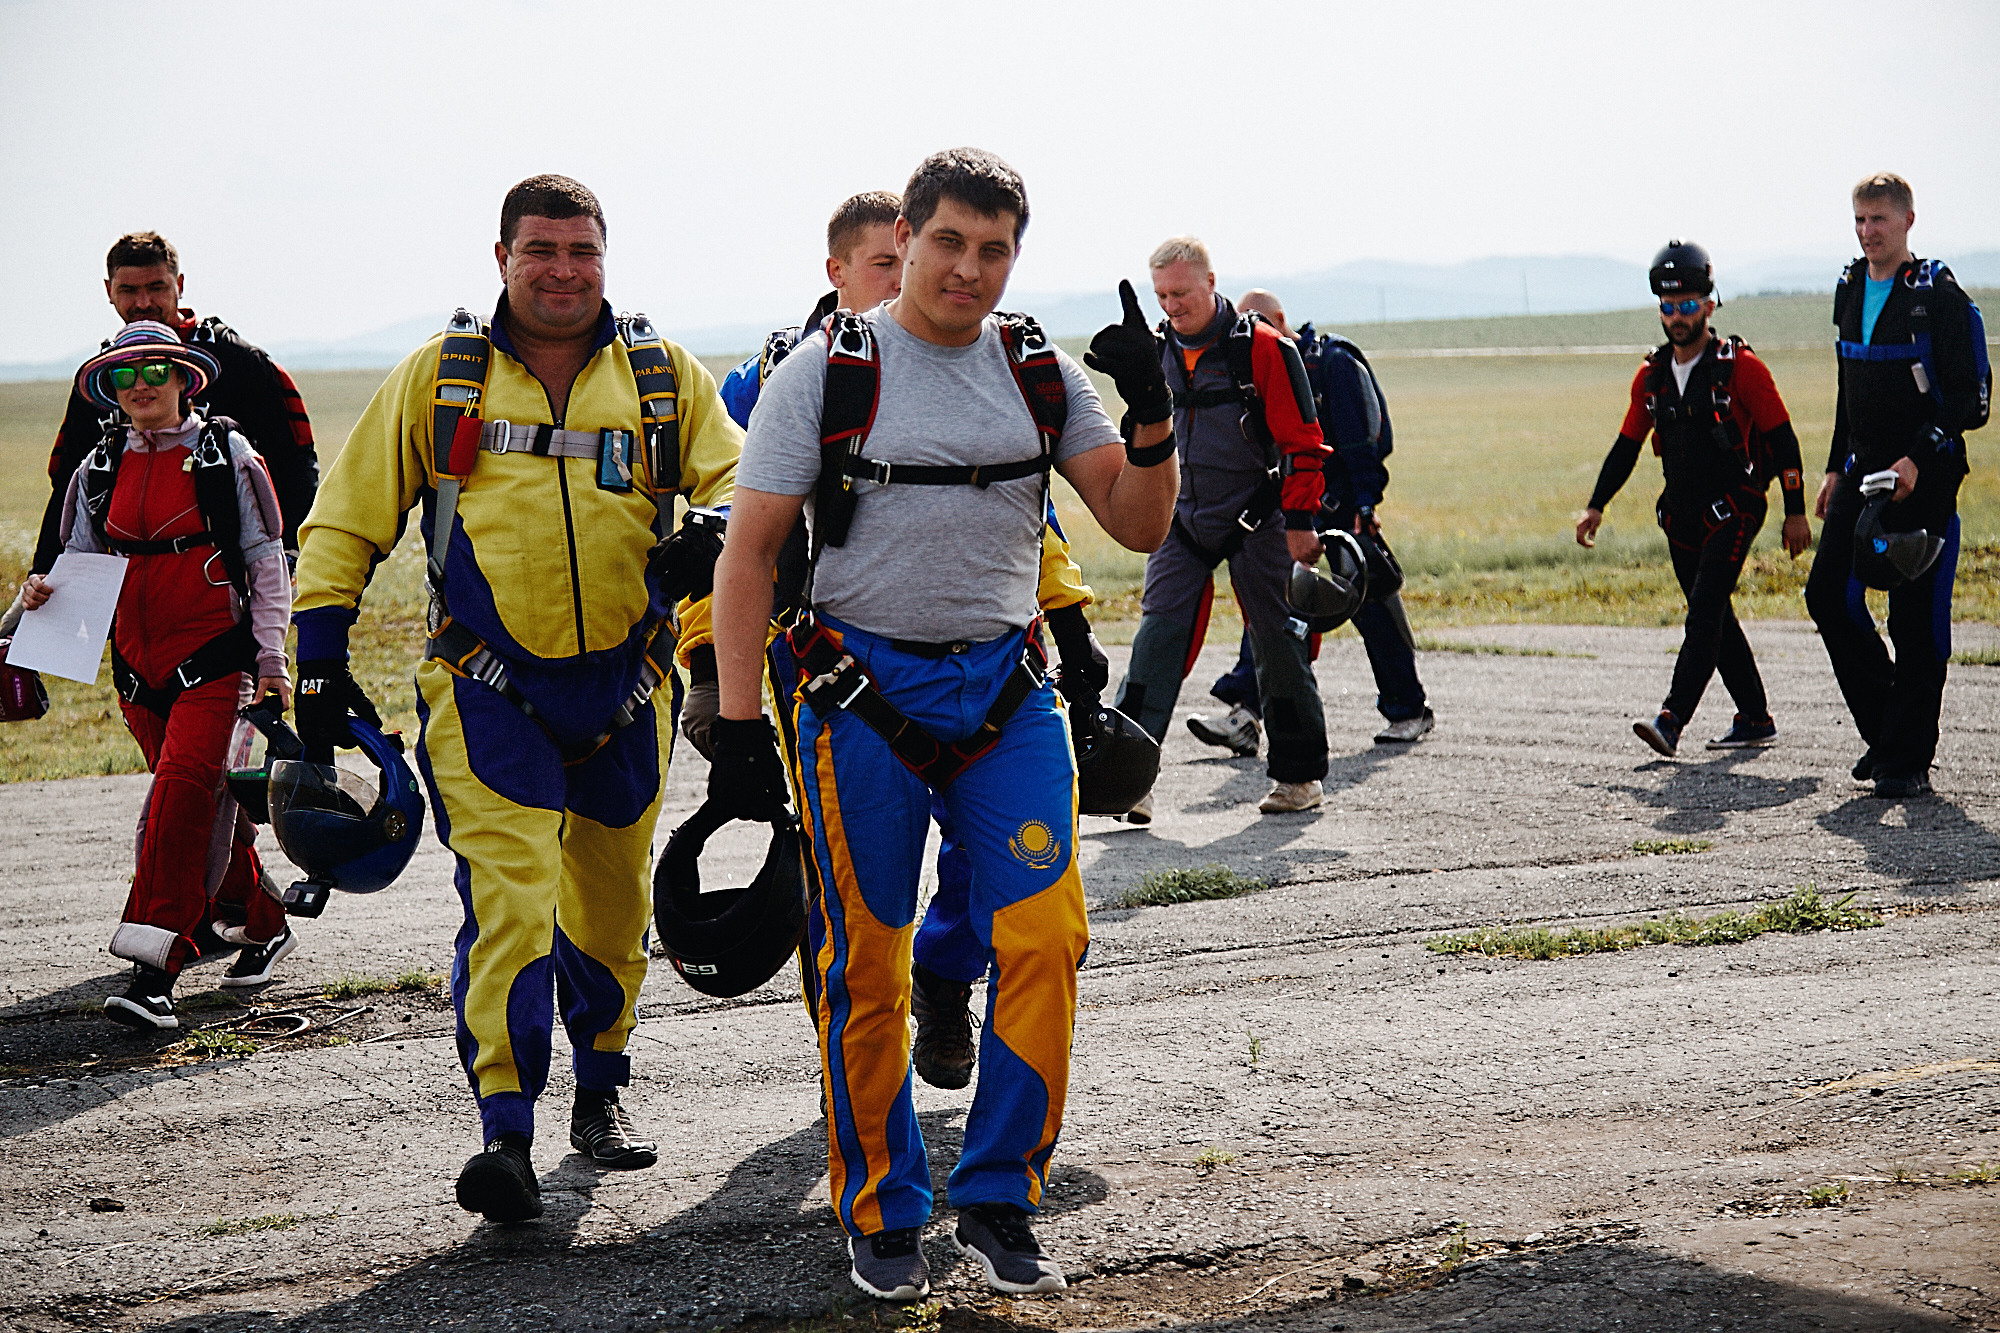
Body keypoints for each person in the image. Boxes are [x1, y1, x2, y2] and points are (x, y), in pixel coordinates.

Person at [707, 148, 1177, 1301]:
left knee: (1045, 940)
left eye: (994, 249)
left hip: (1006, 695)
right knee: (864, 961)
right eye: (949, 242)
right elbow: (748, 556)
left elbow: (1134, 523)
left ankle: (1000, 1195)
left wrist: (1153, 415)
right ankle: (882, 1208)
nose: (968, 268)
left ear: (1015, 256)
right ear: (905, 239)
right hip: (856, 698)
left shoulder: (1037, 372)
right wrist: (738, 732)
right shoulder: (825, 375)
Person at [288, 175, 742, 1223]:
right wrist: (316, 656)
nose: (563, 271)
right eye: (541, 250)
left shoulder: (662, 376)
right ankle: (506, 1131)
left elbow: (737, 477)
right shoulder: (441, 379)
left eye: (582, 251)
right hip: (486, 691)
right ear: (502, 257)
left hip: (627, 689)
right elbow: (347, 516)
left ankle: (602, 1089)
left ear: (604, 257)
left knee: (613, 908)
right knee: (512, 905)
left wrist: (717, 526)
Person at [706, 190, 1110, 1095]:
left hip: (995, 673)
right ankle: (861, 1087)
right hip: (832, 671)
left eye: (987, 251)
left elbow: (1018, 516)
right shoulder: (785, 379)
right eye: (895, 262)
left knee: (996, 878)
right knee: (856, 914)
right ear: (843, 269)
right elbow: (734, 544)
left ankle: (945, 978)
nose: (936, 277)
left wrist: (1070, 618)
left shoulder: (1008, 369)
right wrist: (718, 692)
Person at [18, 322, 297, 1029]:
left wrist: (272, 661)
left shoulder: (228, 456)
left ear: (184, 378)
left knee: (176, 803)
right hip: (139, 677)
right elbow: (78, 563)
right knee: (196, 805)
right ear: (108, 387)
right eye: (124, 374)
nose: (139, 385)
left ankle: (153, 972)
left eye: (154, 371)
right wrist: (41, 595)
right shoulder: (97, 467)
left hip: (218, 665)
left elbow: (266, 563)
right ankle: (263, 921)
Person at [1110, 241, 1333, 820]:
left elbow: (1304, 443)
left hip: (1257, 519)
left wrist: (1301, 522)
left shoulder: (1263, 349)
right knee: (1156, 642)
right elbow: (1137, 435)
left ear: (1210, 282)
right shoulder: (1156, 350)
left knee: (1278, 644)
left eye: (1181, 293)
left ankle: (1299, 778)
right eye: (1162, 295)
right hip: (1178, 521)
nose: (1172, 306)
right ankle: (1130, 782)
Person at [1577, 241, 1810, 757]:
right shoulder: (1651, 378)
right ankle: (1754, 717)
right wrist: (1596, 505)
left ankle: (1671, 718)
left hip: (1735, 507)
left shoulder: (1741, 368)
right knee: (1714, 614)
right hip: (1681, 516)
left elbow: (1783, 440)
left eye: (1687, 305)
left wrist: (1795, 512)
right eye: (1668, 306)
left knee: (1703, 613)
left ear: (1709, 304)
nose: (1677, 317)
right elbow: (1626, 446)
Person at [1803, 174, 1989, 798]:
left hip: (1925, 479)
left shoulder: (1938, 296)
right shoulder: (1850, 287)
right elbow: (1848, 388)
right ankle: (1889, 733)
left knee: (1915, 622)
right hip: (1862, 475)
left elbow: (1973, 401)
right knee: (1827, 597)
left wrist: (1917, 459)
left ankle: (1905, 760)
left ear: (1908, 220)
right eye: (1859, 219)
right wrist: (1834, 467)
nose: (1867, 231)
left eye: (1879, 219)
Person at [1185, 289, 1433, 754]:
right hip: (1292, 508)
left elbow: (1362, 439)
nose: (1248, 333)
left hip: (1342, 508)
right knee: (1275, 606)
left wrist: (1365, 506)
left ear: (1281, 319)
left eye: (1258, 322)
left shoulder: (1332, 363)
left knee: (1373, 606)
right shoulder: (1248, 369)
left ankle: (1408, 710)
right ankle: (1247, 713)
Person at [36, 232, 318, 575]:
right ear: (109, 291)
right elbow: (68, 482)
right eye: (128, 290)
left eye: (156, 287)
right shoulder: (101, 376)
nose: (143, 303)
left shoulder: (237, 362)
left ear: (179, 285)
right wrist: (45, 571)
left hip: (227, 570)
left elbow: (294, 461)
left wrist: (291, 557)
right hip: (129, 574)